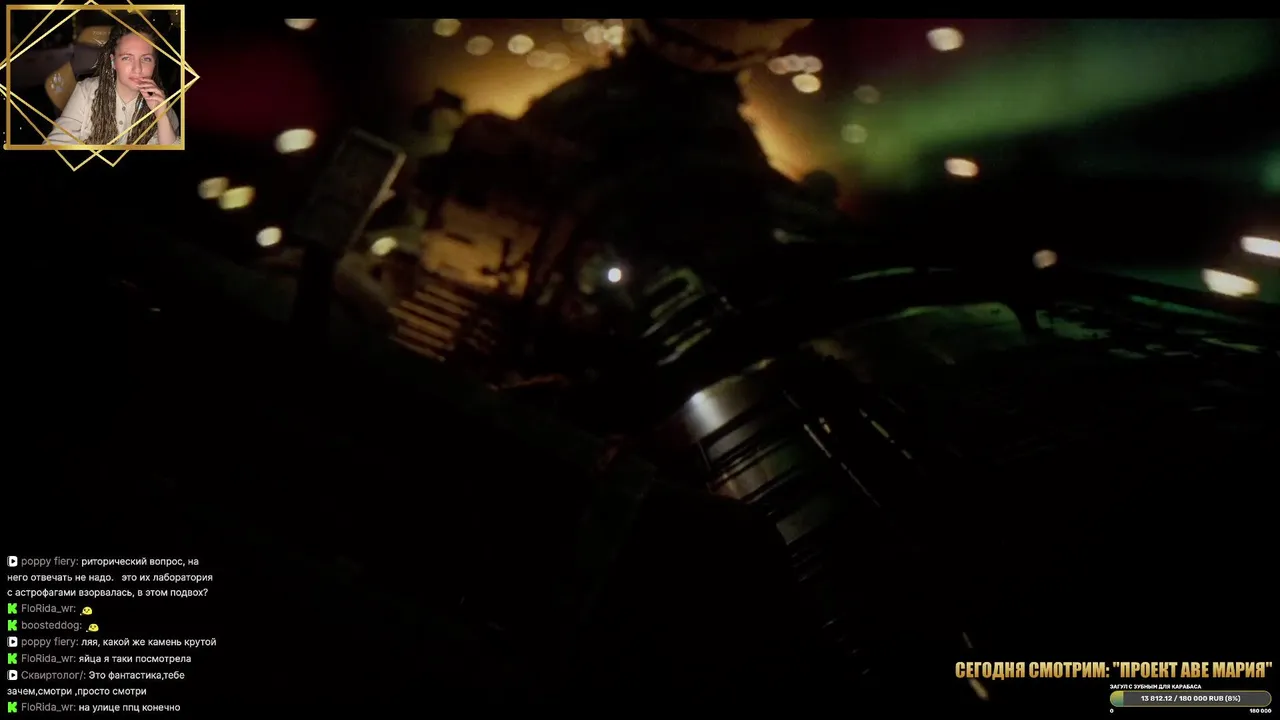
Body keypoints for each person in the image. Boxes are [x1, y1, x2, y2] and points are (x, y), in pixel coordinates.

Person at [45, 24, 180, 146]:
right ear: (113, 62)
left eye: (146, 59)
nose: (137, 69)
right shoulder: (86, 91)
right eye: (127, 58)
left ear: (154, 63)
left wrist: (161, 115)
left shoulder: (160, 100)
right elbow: (57, 141)